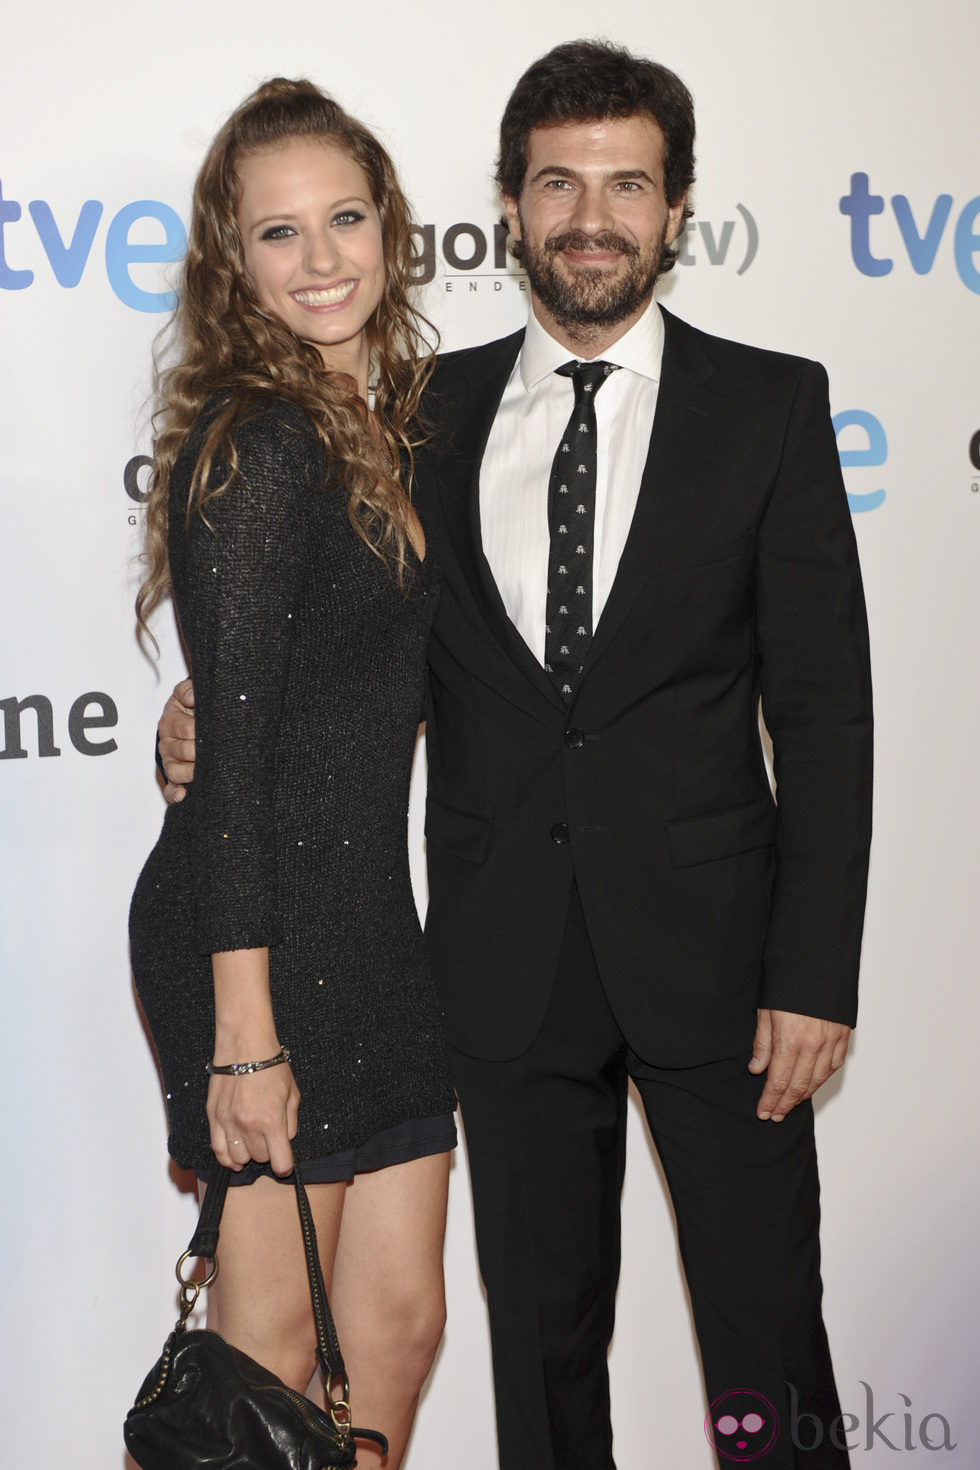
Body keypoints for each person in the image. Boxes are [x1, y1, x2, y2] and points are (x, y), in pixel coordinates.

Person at [160, 41, 873, 1470]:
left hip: (721, 964)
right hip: (496, 967)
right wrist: (208, 702)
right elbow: (338, 632)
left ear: (677, 212)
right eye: (561, 183)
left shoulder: (774, 405)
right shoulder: (419, 417)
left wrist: (814, 969)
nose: (592, 215)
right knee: (536, 1368)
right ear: (510, 205)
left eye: (628, 185)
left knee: (767, 1352)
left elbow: (827, 707)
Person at [130, 78, 457, 1469]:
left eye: (345, 218)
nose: (322, 259)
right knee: (266, 1373)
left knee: (398, 1325)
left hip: (374, 932)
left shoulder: (387, 425)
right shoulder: (256, 447)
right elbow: (244, 760)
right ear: (230, 259)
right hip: (258, 946)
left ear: (389, 225)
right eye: (279, 234)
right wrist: (244, 1037)